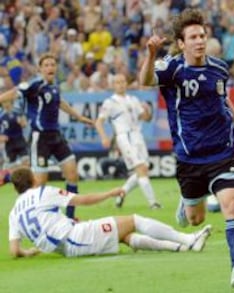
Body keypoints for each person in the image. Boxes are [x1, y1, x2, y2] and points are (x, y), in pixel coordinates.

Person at [139, 8, 234, 289]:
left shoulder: (219, 68)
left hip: (225, 150)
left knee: (232, 203)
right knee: (195, 219)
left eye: (202, 35)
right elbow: (144, 81)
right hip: (190, 157)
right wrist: (151, 54)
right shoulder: (171, 68)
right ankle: (186, 200)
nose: (200, 41)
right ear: (181, 43)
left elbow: (223, 100)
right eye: (193, 37)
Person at [8, 167, 211, 258]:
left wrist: (29, 252)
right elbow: (83, 200)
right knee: (133, 220)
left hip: (70, 241)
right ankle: (188, 239)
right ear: (34, 180)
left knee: (125, 235)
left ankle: (181, 248)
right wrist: (110, 193)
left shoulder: (13, 213)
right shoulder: (43, 191)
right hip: (75, 239)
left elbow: (15, 250)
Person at [0, 52, 94, 219]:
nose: (51, 67)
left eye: (53, 64)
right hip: (40, 138)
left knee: (72, 174)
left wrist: (79, 117)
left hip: (56, 136)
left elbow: (60, 102)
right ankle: (23, 214)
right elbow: (14, 93)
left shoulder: (54, 86)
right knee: (38, 184)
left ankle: (70, 218)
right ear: (40, 69)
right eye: (47, 65)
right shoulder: (34, 84)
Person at [95, 73, 161, 209]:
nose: (121, 84)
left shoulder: (134, 99)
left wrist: (149, 112)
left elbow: (145, 118)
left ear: (126, 83)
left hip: (137, 136)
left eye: (123, 81)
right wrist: (104, 137)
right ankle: (153, 203)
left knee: (143, 170)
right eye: (118, 82)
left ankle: (122, 193)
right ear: (113, 85)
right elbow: (99, 122)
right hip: (125, 136)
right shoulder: (110, 102)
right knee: (141, 169)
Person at [0, 100, 29, 172]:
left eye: (7, 101)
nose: (5, 104)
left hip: (20, 140)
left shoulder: (18, 112)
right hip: (8, 143)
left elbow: (25, 124)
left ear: (11, 102)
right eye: (3, 102)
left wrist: (22, 122)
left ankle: (25, 180)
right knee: (10, 167)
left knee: (26, 162)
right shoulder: (1, 114)